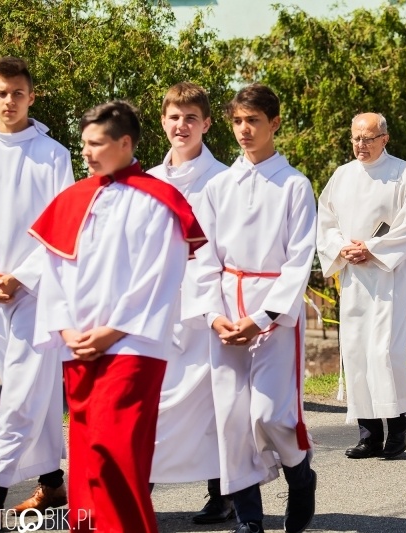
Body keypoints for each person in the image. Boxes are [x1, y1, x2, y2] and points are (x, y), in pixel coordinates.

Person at [30, 100, 205, 533]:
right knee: (89, 457)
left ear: (125, 143)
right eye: (84, 144)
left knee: (119, 455)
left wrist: (112, 331)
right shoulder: (72, 199)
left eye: (96, 144)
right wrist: (67, 329)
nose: (86, 153)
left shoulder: (159, 200)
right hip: (80, 347)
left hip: (134, 346)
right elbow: (53, 270)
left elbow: (160, 274)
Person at [186, 83, 317, 533]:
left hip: (272, 315)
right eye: (238, 121)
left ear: (274, 123)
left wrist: (263, 317)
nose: (244, 130)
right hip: (226, 309)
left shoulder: (295, 185)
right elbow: (202, 255)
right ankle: (249, 518)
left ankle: (301, 478)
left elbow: (299, 260)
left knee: (270, 414)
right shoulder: (219, 185)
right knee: (231, 417)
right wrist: (213, 314)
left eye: (253, 121)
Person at [0, 57, 72, 529]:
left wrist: (21, 277)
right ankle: (52, 483)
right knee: (33, 394)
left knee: (19, 395)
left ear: (32, 97)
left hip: (37, 291)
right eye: (1, 93)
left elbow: (64, 228)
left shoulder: (54, 156)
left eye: (18, 93)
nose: (9, 101)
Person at [317, 112, 406, 460]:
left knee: (382, 351)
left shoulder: (403, 174)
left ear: (385, 139)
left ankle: (397, 427)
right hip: (353, 277)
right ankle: (368, 433)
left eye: (367, 138)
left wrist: (373, 248)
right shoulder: (341, 176)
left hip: (387, 276)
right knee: (355, 351)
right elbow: (326, 221)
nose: (360, 145)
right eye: (355, 138)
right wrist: (341, 247)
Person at [147, 82, 232, 524]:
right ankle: (140, 490)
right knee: (155, 401)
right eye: (174, 117)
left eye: (191, 118)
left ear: (206, 123)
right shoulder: (147, 181)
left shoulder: (224, 179)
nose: (182, 126)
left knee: (210, 404)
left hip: (206, 310)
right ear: (163, 120)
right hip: (158, 309)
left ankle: (222, 493)